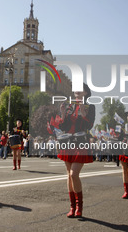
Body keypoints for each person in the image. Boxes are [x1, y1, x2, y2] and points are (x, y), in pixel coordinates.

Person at [48, 83, 95, 218]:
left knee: (74, 174)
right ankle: (72, 206)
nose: (76, 93)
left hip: (80, 142)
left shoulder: (90, 107)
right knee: (69, 175)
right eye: (75, 92)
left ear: (86, 93)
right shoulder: (69, 106)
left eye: (79, 91)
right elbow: (62, 125)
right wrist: (62, 114)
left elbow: (89, 125)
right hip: (67, 142)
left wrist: (84, 114)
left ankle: (79, 206)